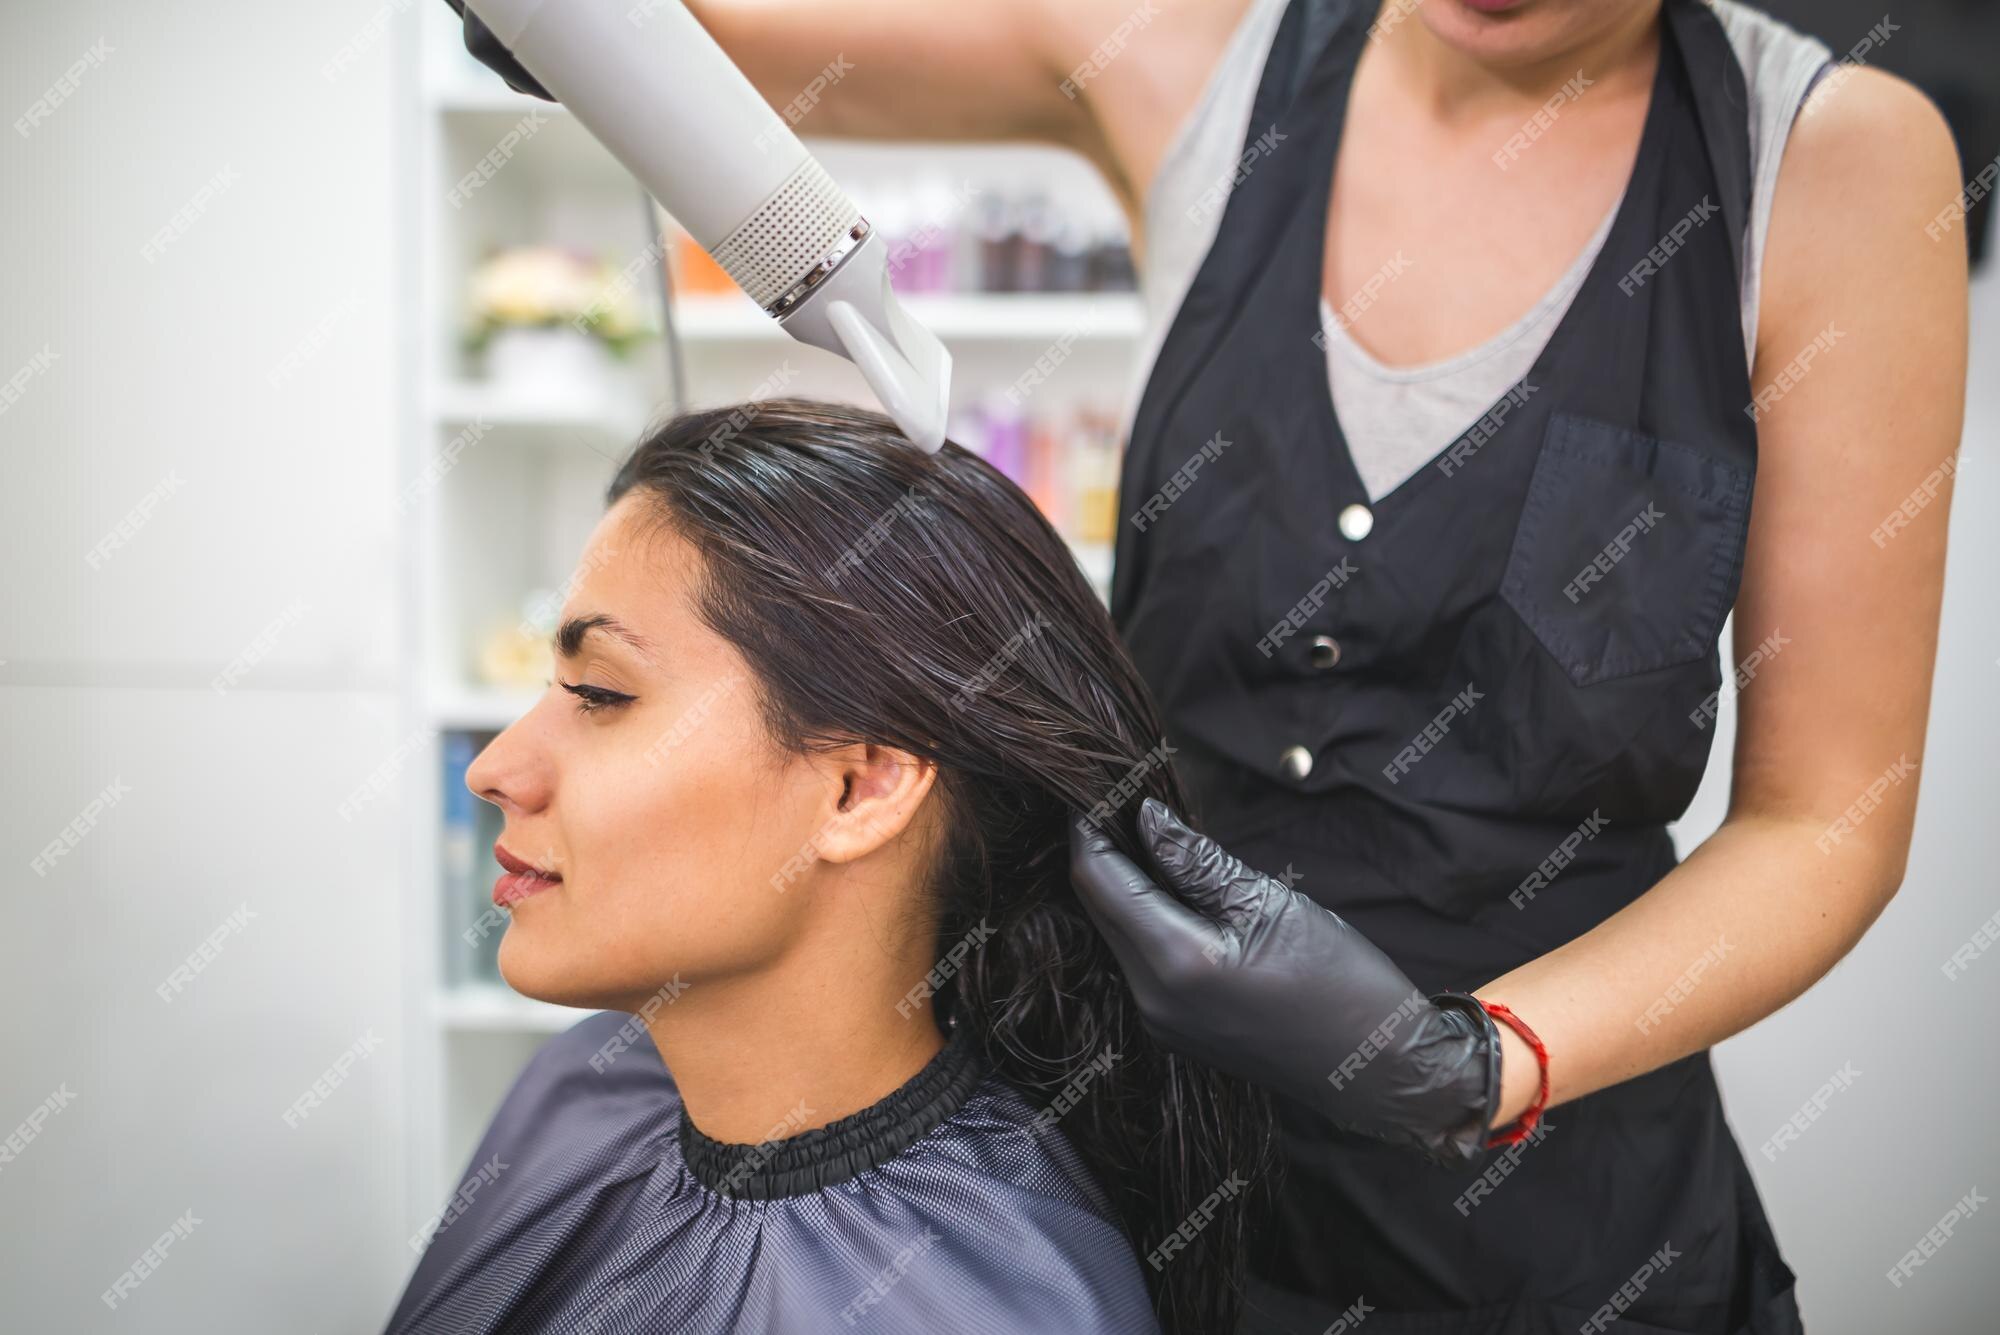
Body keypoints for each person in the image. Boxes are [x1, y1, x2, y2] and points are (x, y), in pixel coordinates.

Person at [448, 1, 1968, 1329]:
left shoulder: (1829, 161)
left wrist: (1466, 1062)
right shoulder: (1186, 50)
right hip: (1151, 1167)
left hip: (1560, 1233)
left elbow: (1826, 815)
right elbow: (685, 32)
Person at [384, 398, 1271, 1335]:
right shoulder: (582, 1089)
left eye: (601, 693)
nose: (493, 771)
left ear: (862, 790)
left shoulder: (981, 1300)